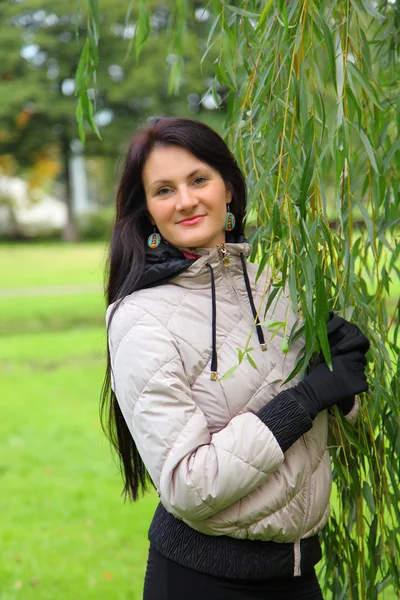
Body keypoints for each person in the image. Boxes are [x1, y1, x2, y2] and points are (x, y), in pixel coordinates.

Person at [101, 117, 369, 599]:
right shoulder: (139, 319)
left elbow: (337, 426)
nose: (185, 200)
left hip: (298, 575)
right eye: (164, 190)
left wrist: (345, 380)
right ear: (149, 213)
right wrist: (306, 398)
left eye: (198, 179)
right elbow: (189, 485)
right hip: (204, 581)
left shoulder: (280, 283)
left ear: (229, 189)